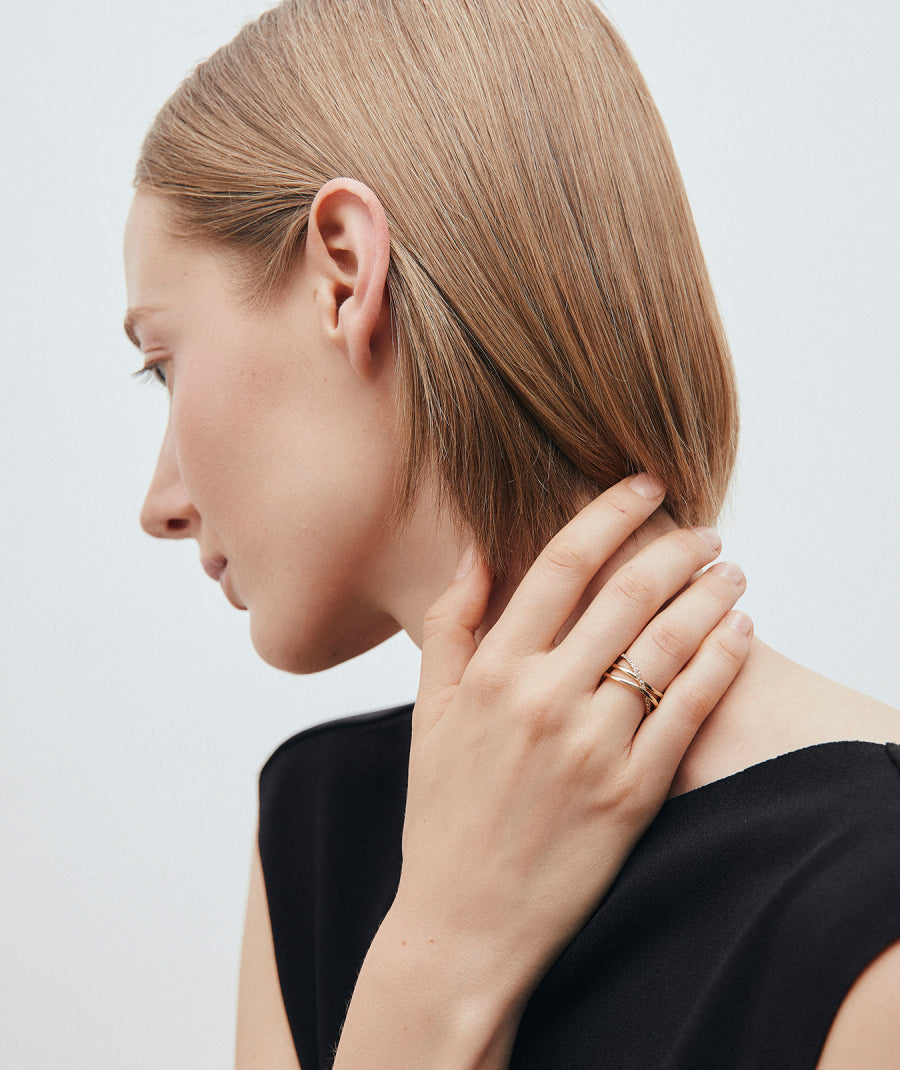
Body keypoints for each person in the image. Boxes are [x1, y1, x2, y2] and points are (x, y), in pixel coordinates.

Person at [122, 1, 900, 1067]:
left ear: (344, 271)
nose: (160, 503)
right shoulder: (318, 829)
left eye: (163, 363)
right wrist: (436, 962)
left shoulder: (874, 910)